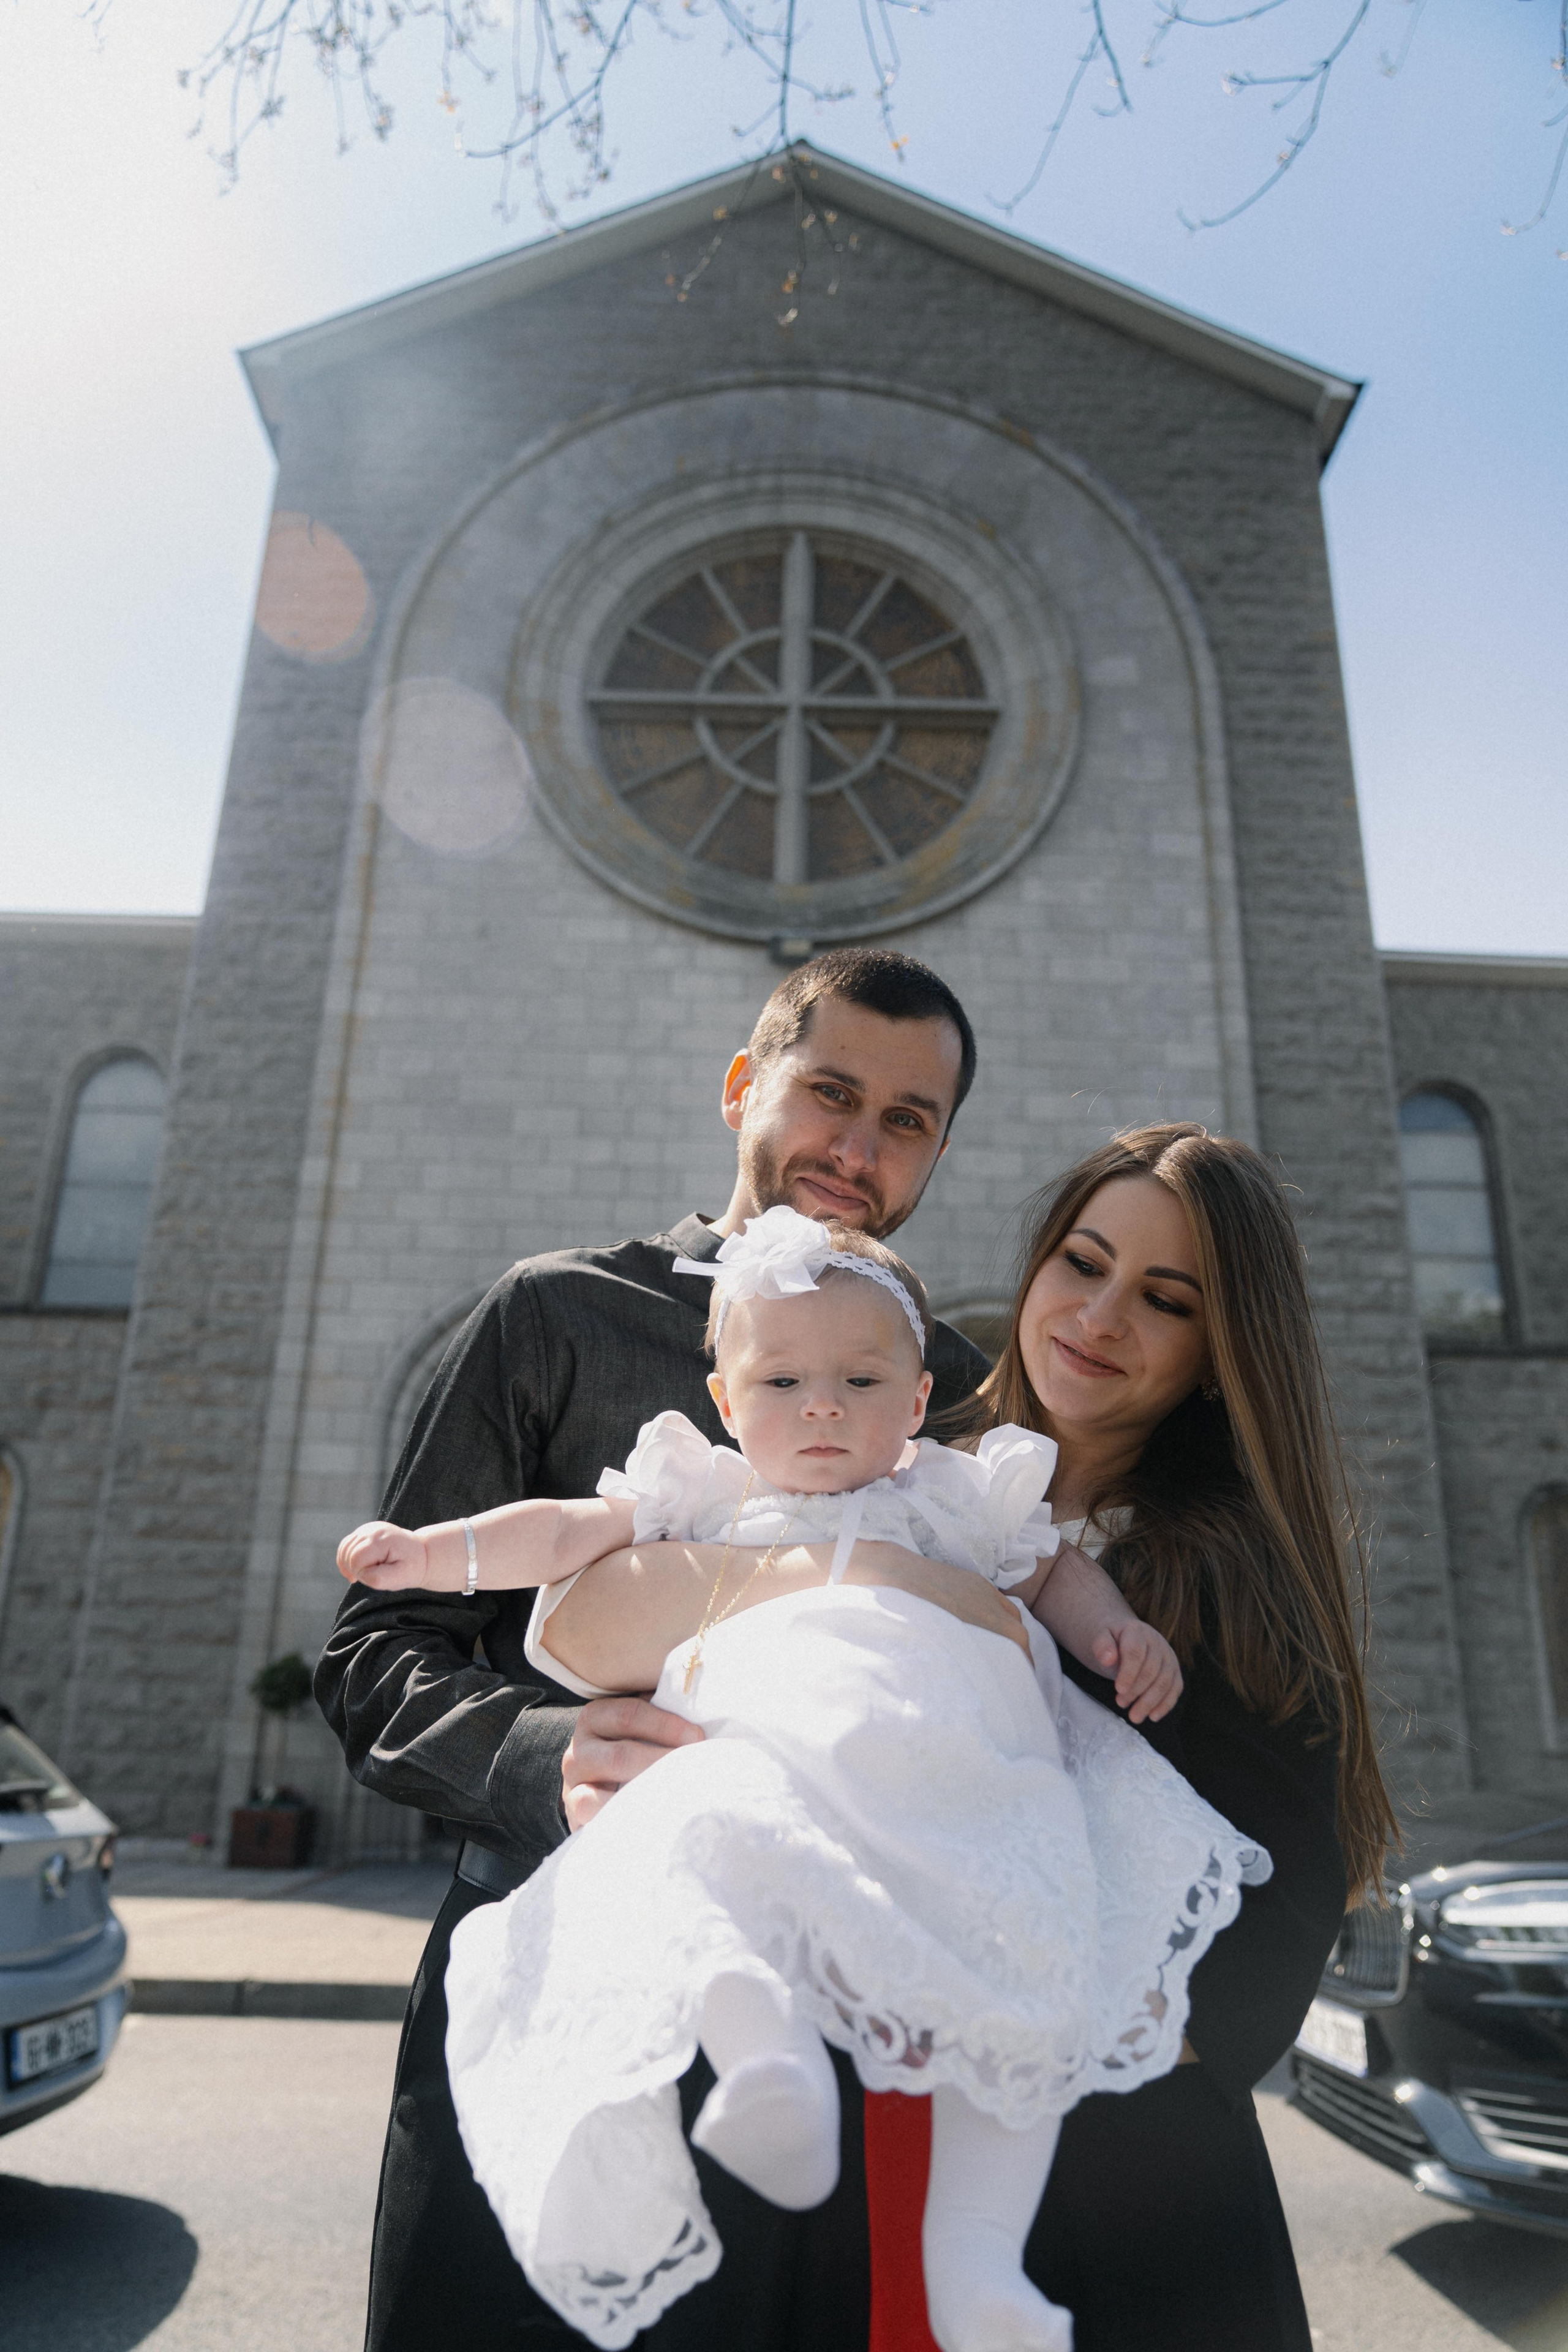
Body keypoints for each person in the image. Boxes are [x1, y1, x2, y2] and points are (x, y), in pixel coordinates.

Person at [339, 1208, 1265, 2352]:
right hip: (771, 1765)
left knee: (1022, 1986)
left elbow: (1053, 1571)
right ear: (727, 1405)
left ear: (918, 1402)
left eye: (860, 1380)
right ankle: (768, 2069)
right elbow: (568, 1530)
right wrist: (442, 1554)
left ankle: (975, 2261)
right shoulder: (707, 1493)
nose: (822, 1405)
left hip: (965, 1787)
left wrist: (1123, 1635)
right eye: (782, 1381)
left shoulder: (954, 1495)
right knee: (702, 1844)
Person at [315, 947, 1003, 2352]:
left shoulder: (947, 1389)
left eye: (907, 1119)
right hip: (548, 1957)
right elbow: (376, 1647)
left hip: (827, 2032)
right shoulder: (551, 1313)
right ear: (745, 1087)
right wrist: (536, 1752)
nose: (856, 1147)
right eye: (827, 1093)